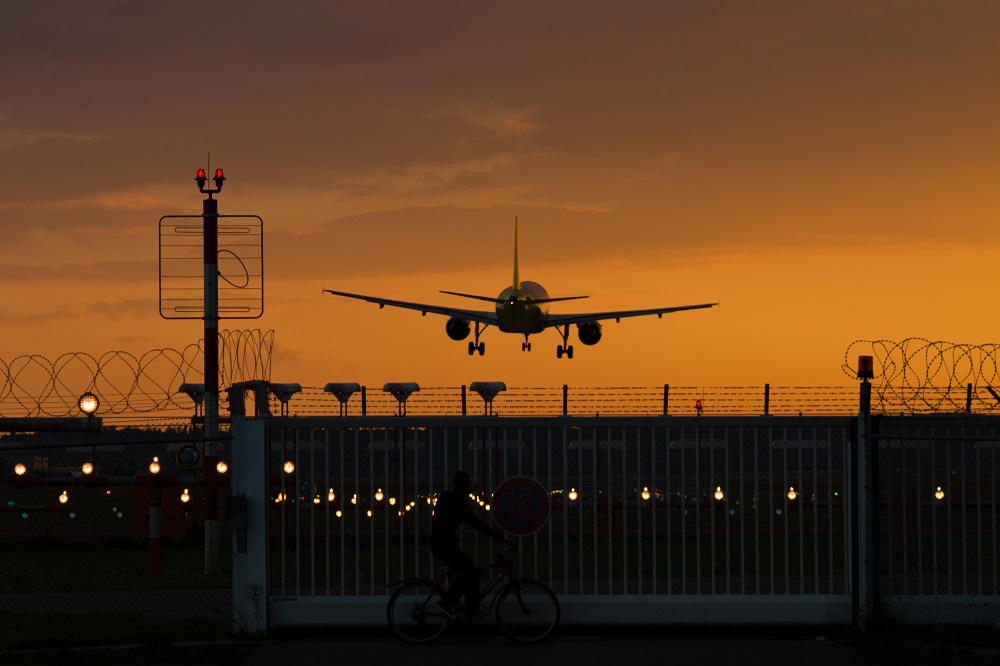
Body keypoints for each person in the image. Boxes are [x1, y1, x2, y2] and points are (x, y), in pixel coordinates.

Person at [430, 470, 507, 618]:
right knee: (471, 571)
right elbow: (478, 524)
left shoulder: (444, 496)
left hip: (438, 545)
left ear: (453, 484)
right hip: (445, 547)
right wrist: (501, 537)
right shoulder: (461, 506)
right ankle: (447, 602)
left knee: (471, 571)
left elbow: (456, 498)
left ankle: (471, 609)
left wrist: (470, 490)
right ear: (465, 486)